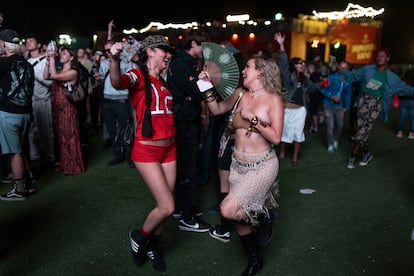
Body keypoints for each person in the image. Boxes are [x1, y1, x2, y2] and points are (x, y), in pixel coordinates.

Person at [199, 54, 285, 276]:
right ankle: (255, 259)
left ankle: (265, 217)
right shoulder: (240, 94)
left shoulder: (273, 99)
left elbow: (276, 137)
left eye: (248, 66)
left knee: (227, 209)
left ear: (260, 71)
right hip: (238, 164)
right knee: (239, 216)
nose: (243, 70)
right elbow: (216, 109)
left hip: (263, 165)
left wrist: (252, 119)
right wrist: (204, 85)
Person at [109, 35, 175, 272]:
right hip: (147, 150)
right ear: (150, 52)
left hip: (170, 149)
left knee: (163, 206)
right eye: (163, 50)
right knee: (167, 206)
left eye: (169, 51)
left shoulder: (165, 80)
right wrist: (114, 58)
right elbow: (117, 82)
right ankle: (140, 236)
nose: (168, 55)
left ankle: (153, 246)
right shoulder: (138, 76)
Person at [167, 29, 211, 232]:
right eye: (202, 45)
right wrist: (204, 81)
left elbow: (194, 93)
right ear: (193, 44)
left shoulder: (186, 63)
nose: (204, 49)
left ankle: (180, 207)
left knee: (186, 165)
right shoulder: (180, 64)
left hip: (186, 118)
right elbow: (198, 91)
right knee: (188, 166)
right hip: (183, 120)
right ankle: (188, 214)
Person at [343, 48, 414, 169]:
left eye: (382, 56)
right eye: (378, 56)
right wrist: (342, 72)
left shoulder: (391, 77)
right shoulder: (367, 69)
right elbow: (354, 76)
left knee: (366, 128)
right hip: (362, 101)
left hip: (376, 104)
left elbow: (406, 88)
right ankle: (366, 154)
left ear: (387, 58)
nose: (379, 58)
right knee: (362, 128)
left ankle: (352, 155)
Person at [0, 29, 34, 201]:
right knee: (21, 150)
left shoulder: (4, 63)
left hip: (9, 113)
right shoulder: (27, 64)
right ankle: (30, 182)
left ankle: (20, 189)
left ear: (4, 44)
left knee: (15, 153)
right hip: (26, 113)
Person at [274, 32, 316, 166]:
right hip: (287, 109)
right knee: (284, 131)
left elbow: (314, 88)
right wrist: (281, 45)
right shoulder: (288, 77)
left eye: (304, 63)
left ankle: (295, 157)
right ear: (295, 65)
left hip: (300, 111)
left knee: (298, 133)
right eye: (300, 63)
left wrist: (323, 83)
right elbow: (284, 63)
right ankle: (282, 152)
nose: (303, 64)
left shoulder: (305, 79)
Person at [43, 45, 85, 175]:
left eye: (64, 53)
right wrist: (47, 60)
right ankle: (65, 163)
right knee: (61, 138)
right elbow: (46, 76)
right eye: (60, 53)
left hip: (67, 109)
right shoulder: (60, 70)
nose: (61, 55)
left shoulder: (73, 72)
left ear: (72, 57)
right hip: (57, 107)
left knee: (69, 136)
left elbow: (53, 75)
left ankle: (73, 166)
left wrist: (52, 58)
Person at [25, 33, 55, 165]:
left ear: (38, 45)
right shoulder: (25, 62)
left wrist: (33, 74)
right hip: (30, 101)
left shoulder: (45, 60)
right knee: (31, 130)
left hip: (43, 101)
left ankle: (50, 156)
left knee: (45, 130)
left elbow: (50, 82)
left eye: (31, 40)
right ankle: (34, 156)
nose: (28, 42)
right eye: (27, 40)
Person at [320, 60, 352, 153]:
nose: (342, 69)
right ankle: (330, 144)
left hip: (339, 107)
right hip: (328, 105)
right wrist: (331, 96)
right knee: (330, 126)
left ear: (348, 69)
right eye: (341, 67)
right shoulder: (330, 77)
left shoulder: (348, 80)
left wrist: (346, 107)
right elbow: (322, 89)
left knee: (340, 125)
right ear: (338, 67)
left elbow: (348, 94)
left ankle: (336, 140)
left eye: (345, 68)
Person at [396, 68, 414, 139]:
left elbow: (399, 92)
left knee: (402, 117)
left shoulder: (403, 81)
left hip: (403, 101)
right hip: (413, 101)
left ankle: (399, 132)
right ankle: (411, 134)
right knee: (412, 119)